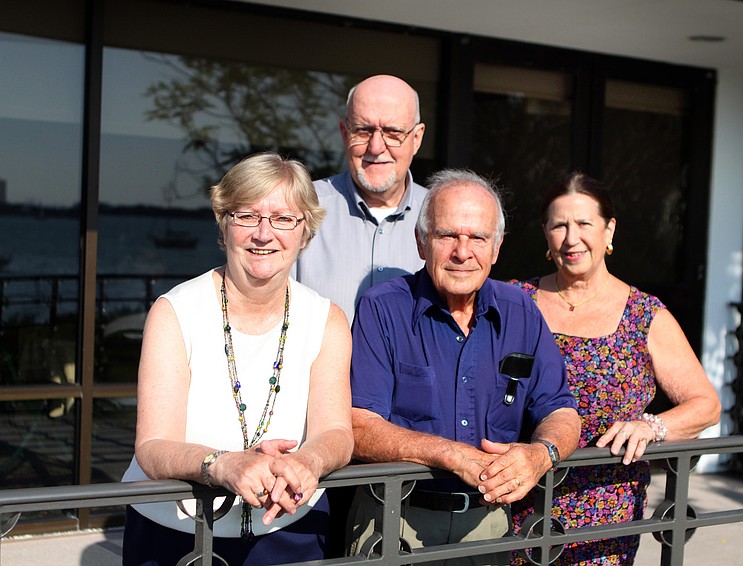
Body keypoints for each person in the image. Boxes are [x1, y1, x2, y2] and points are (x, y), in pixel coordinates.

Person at [122, 153, 354, 565]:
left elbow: (336, 430)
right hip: (178, 530)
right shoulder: (174, 312)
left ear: (305, 233)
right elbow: (153, 446)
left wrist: (307, 461)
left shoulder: (327, 320)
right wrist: (223, 464)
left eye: (284, 218)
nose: (264, 234)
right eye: (247, 215)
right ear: (223, 223)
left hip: (288, 527)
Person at [347, 169, 582, 564]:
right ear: (421, 242)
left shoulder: (521, 311)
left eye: (477, 238)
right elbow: (357, 424)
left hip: (490, 523)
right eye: (447, 236)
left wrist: (541, 455)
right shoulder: (382, 308)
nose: (462, 252)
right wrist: (449, 454)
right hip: (396, 518)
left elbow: (559, 407)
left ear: (496, 248)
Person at [509, 172, 721, 565]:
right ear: (545, 234)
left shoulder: (644, 314)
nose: (572, 239)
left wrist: (651, 427)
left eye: (584, 224)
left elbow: (706, 405)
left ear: (609, 231)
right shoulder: (515, 301)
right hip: (518, 501)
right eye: (559, 225)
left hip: (605, 515)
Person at [295, 74, 428, 323]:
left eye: (392, 132)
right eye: (363, 130)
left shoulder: (444, 219)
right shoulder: (299, 207)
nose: (376, 147)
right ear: (345, 134)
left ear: (417, 138)